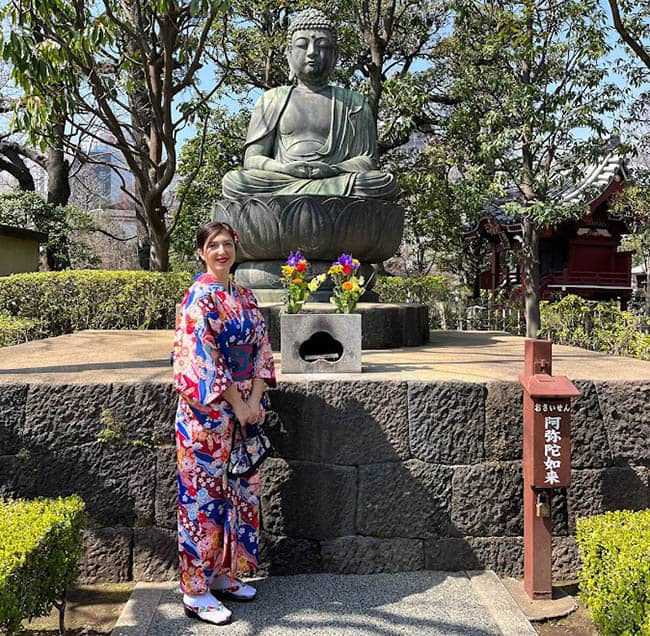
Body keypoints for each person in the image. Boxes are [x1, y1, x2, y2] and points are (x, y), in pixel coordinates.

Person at [172, 221, 276, 625]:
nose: (221, 251)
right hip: (206, 417)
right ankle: (195, 590)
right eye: (213, 245)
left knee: (237, 492)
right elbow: (201, 360)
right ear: (201, 252)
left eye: (227, 244)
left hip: (242, 415)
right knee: (202, 498)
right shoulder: (197, 300)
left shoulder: (245, 296)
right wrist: (237, 400)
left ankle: (222, 574)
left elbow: (262, 349)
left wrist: (253, 400)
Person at [222, 8, 396, 200]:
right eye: (302, 45)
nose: (312, 53)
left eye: (322, 45)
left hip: (335, 180)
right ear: (289, 54)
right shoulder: (271, 99)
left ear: (335, 55)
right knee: (234, 181)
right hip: (282, 178)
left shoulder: (354, 102)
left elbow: (367, 161)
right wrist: (284, 168)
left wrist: (333, 169)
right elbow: (253, 159)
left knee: (382, 182)